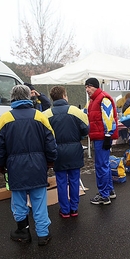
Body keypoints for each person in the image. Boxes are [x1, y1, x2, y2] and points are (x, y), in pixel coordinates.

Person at [0, 85, 57, 246]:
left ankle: (23, 231)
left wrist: (0, 164)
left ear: (12, 97)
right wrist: (50, 161)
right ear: (29, 97)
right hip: (38, 165)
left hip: (15, 167)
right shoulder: (40, 116)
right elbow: (51, 143)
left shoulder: (5, 118)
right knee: (39, 200)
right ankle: (43, 234)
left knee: (18, 200)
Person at [43, 86, 89, 218]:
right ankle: (74, 208)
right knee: (74, 180)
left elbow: (44, 135)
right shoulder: (75, 111)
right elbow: (85, 130)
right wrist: (78, 138)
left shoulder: (47, 114)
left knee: (61, 181)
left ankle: (64, 210)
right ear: (64, 96)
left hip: (57, 151)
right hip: (74, 150)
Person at [85, 77, 119, 205]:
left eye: (89, 86)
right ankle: (109, 191)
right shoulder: (94, 100)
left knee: (101, 166)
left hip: (102, 137)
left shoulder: (103, 98)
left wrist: (107, 135)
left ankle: (104, 195)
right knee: (104, 165)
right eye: (86, 87)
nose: (87, 90)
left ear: (95, 86)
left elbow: (108, 118)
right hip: (99, 136)